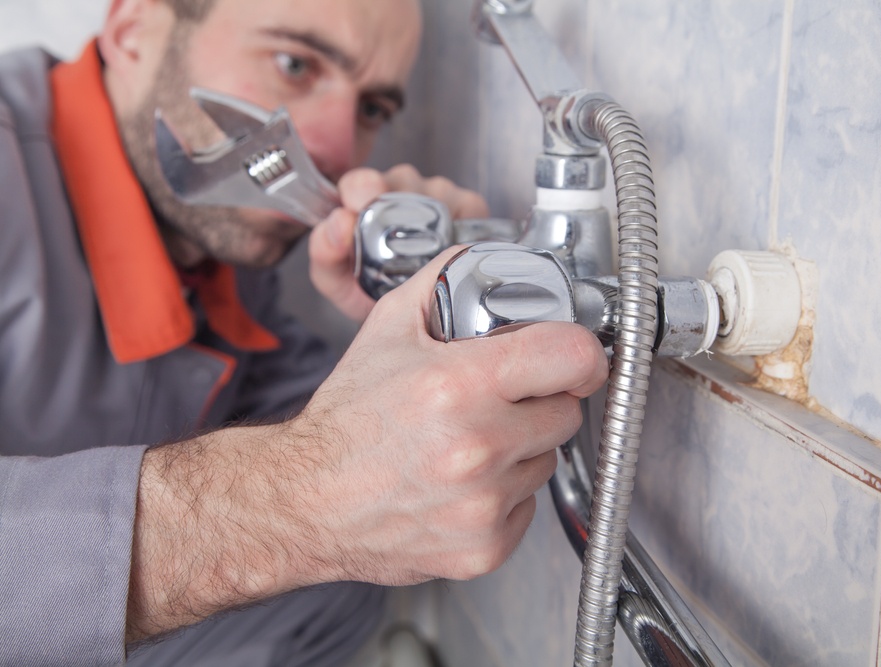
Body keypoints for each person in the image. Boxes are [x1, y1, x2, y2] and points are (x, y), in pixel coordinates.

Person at [0, 0, 609, 665]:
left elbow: (308, 431)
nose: (336, 149)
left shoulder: (215, 250)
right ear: (133, 30)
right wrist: (300, 500)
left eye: (372, 108)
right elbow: (306, 470)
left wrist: (409, 317)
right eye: (293, 63)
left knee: (338, 587)